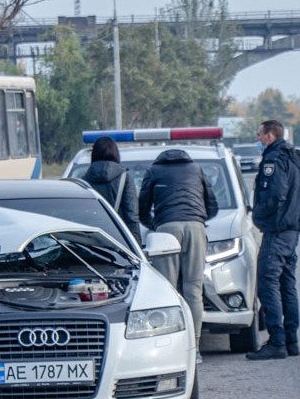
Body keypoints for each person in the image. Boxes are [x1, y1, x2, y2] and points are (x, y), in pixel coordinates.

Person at [138, 148, 218, 346]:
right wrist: (198, 220)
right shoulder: (196, 168)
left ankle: (171, 345)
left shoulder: (154, 170)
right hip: (196, 227)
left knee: (167, 289)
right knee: (193, 289)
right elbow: (212, 204)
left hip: (167, 228)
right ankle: (195, 346)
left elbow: (142, 208)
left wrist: (156, 226)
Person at [245, 119, 300, 361]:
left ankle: (277, 342)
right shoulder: (292, 156)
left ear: (270, 136)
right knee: (286, 283)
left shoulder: (274, 159)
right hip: (292, 229)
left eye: (259, 134)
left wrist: (259, 216)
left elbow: (274, 194)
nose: (258, 139)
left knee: (267, 282)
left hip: (278, 229)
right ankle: (291, 341)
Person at [81, 136, 141, 244]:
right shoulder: (125, 178)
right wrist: (137, 247)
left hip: (90, 244)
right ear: (116, 154)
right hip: (119, 242)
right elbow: (132, 216)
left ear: (94, 155)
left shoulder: (83, 181)